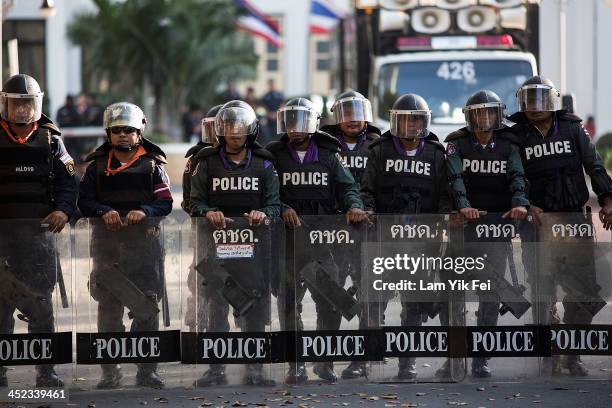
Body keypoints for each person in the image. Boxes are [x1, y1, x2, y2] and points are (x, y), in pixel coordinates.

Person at [509, 76, 612, 376]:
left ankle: (573, 350)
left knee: (584, 291)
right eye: (529, 100)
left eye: (541, 99)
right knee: (543, 290)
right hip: (536, 225)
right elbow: (512, 177)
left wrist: (607, 199)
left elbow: (593, 165)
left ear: (553, 101)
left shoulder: (571, 129)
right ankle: (551, 349)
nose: (535, 107)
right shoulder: (516, 136)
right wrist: (526, 204)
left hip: (573, 222)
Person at [266, 97, 368, 384]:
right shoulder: (272, 155)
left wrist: (354, 205)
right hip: (287, 244)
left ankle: (326, 361)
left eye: (301, 121)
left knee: (330, 302)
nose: (295, 129)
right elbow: (267, 194)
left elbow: (347, 186)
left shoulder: (328, 155)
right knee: (288, 304)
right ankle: (295, 364)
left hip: (323, 244)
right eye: (290, 122)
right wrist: (282, 208)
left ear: (312, 123)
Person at [78, 102, 172, 389]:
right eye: (117, 130)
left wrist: (145, 211)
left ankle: (147, 371)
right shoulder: (96, 167)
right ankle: (110, 371)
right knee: (109, 309)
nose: (123, 136)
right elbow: (83, 202)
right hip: (107, 249)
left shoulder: (154, 165)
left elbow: (165, 202)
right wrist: (102, 211)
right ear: (108, 133)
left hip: (144, 250)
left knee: (146, 308)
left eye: (128, 130)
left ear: (139, 132)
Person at [360, 93, 451, 380]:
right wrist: (369, 212)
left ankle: (406, 363)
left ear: (424, 123)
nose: (411, 126)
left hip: (423, 244)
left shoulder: (436, 153)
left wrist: (447, 217)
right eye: (406, 120)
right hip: (385, 241)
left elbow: (446, 195)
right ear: (395, 122)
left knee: (414, 304)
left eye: (416, 121)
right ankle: (366, 359)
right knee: (374, 301)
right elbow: (366, 191)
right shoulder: (378, 150)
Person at [190, 100, 280, 386]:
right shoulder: (206, 163)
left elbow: (274, 205)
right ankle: (216, 370)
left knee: (254, 307)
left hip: (254, 250)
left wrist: (262, 214)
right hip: (215, 249)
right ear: (220, 131)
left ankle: (255, 369)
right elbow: (193, 202)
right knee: (216, 308)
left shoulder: (265, 164)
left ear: (250, 130)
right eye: (229, 128)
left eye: (240, 128)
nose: (235, 133)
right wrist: (208, 212)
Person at [443, 90, 529, 378]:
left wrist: (519, 202)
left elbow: (518, 176)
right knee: (452, 292)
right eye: (478, 113)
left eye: (489, 112)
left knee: (490, 294)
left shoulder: (509, 143)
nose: (484, 118)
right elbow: (455, 179)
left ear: (497, 115)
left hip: (495, 229)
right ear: (470, 116)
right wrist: (464, 207)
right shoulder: (456, 144)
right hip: (463, 229)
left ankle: (481, 357)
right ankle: (452, 355)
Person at [0, 74, 77, 387]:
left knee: (41, 305)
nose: (22, 110)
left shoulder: (50, 139)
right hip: (1, 239)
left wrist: (62, 209)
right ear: (6, 103)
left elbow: (68, 183)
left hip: (38, 239)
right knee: (1, 306)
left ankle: (46, 372)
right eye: (17, 104)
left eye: (28, 104)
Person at [319, 90, 380, 379]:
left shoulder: (379, 145)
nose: (353, 119)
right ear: (336, 116)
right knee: (331, 295)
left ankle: (362, 359)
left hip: (369, 233)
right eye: (346, 112)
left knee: (370, 297)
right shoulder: (324, 145)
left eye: (357, 112)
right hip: (333, 235)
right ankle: (325, 358)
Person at [182, 104, 221, 333]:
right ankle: (196, 326)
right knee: (200, 280)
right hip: (204, 232)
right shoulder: (197, 157)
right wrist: (206, 214)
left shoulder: (251, 156)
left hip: (240, 233)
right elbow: (188, 200)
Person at [260, 79, 284, 144]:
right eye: (271, 84)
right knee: (263, 126)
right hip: (268, 117)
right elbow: (263, 108)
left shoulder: (280, 95)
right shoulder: (265, 96)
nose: (272, 85)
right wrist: (268, 114)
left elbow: (282, 106)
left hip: (278, 117)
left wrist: (276, 114)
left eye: (273, 84)